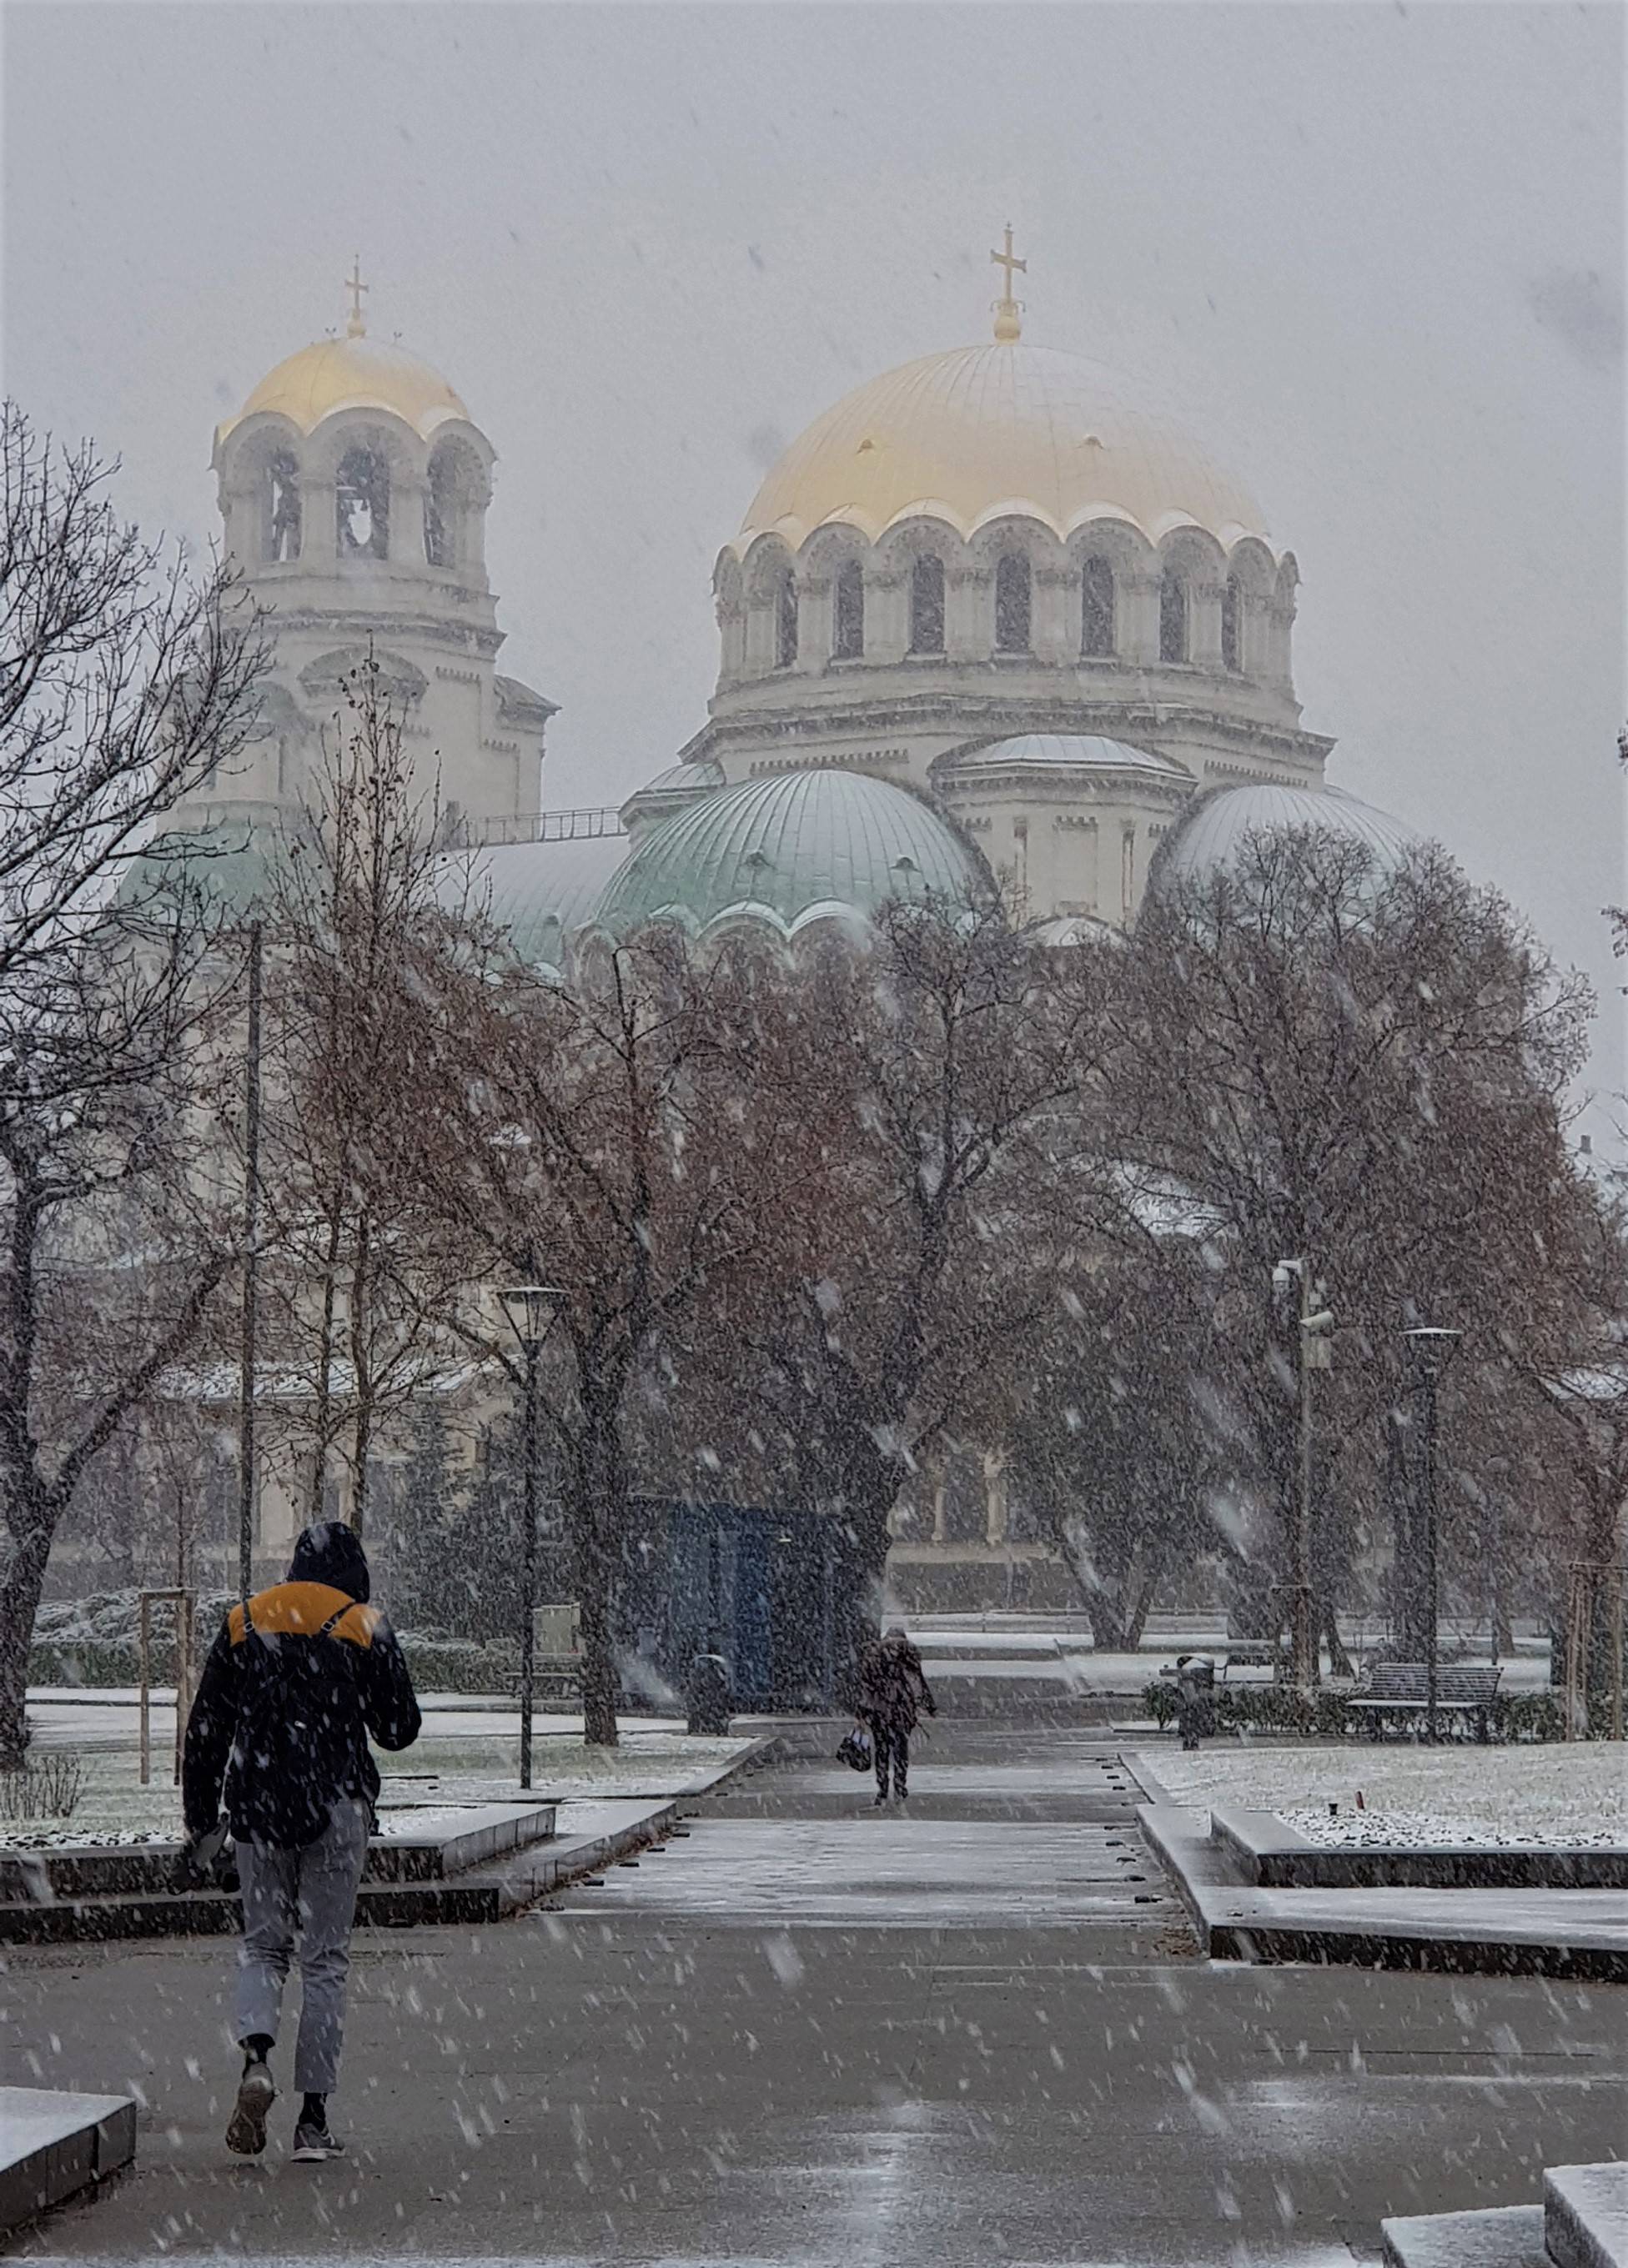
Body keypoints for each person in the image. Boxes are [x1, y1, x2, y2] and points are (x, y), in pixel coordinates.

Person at [182, 1520, 421, 2164]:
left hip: (258, 1810)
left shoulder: (244, 1620)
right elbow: (400, 1729)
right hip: (335, 1805)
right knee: (324, 1961)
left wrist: (202, 1824)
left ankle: (256, 2060)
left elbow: (205, 1734)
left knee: (262, 1946)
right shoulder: (361, 1623)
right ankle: (313, 2121)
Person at [856, 1624, 936, 1805]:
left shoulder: (873, 1657)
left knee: (881, 1750)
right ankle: (900, 1786)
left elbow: (866, 1688)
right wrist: (928, 1706)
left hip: (879, 1711)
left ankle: (882, 1789)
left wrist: (861, 1712)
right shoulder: (908, 1657)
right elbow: (918, 1684)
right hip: (902, 1710)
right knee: (900, 1750)